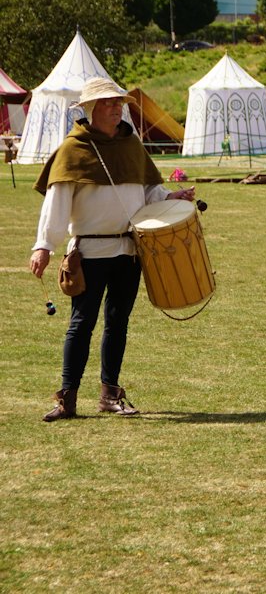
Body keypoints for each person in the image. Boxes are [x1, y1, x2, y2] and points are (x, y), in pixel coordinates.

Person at [30, 77, 196, 422]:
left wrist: (170, 197)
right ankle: (67, 398)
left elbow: (147, 192)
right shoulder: (73, 150)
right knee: (81, 324)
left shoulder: (131, 145)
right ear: (89, 109)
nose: (115, 108)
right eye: (106, 103)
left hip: (128, 251)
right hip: (88, 254)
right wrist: (44, 245)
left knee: (118, 323)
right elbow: (57, 204)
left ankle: (110, 394)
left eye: (118, 103)